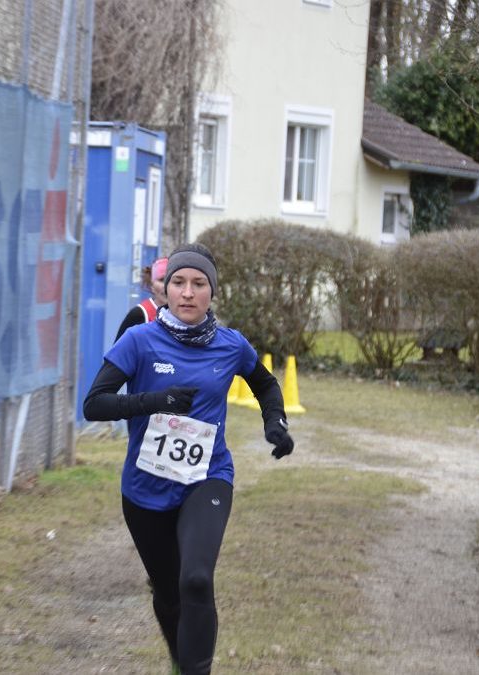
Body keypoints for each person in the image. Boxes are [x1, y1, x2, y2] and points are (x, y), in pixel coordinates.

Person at [83, 243, 294, 675]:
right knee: (168, 592)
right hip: (145, 487)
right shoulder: (139, 341)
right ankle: (183, 662)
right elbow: (95, 404)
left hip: (207, 478)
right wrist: (156, 401)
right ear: (166, 289)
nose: (187, 292)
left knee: (196, 579)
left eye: (199, 284)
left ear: (212, 292)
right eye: (178, 282)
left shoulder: (230, 346)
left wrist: (275, 422)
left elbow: (267, 385)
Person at [115, 257, 169, 341]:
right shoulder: (139, 314)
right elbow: (117, 352)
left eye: (173, 281)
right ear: (151, 286)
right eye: (162, 280)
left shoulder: (184, 315)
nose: (166, 286)